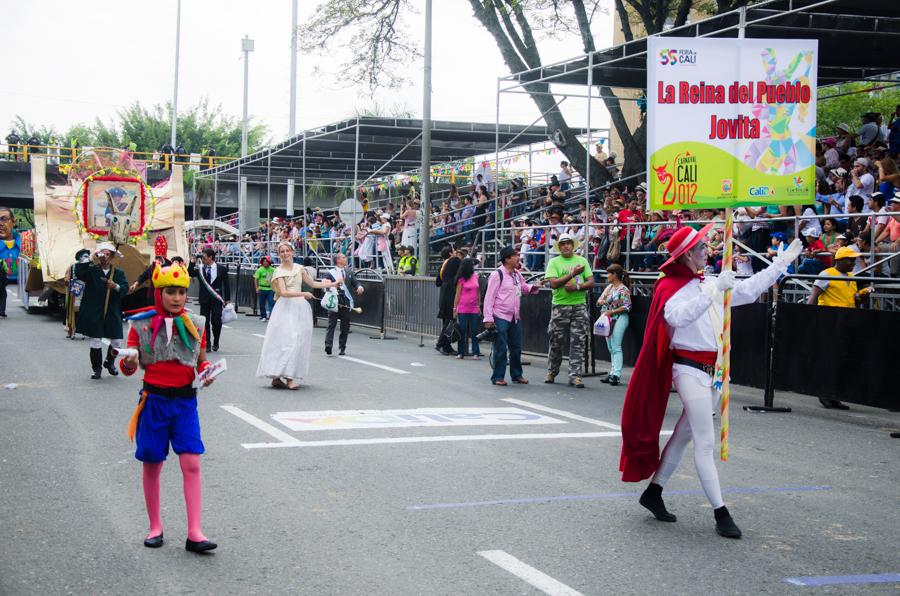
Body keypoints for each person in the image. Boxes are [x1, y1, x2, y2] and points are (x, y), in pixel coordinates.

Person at [619, 224, 803, 539]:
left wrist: (779, 265)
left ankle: (654, 492)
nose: (708, 251)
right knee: (704, 443)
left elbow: (749, 290)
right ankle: (721, 512)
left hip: (716, 373)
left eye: (706, 246)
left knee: (683, 437)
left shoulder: (711, 282)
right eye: (701, 248)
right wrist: (712, 291)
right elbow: (678, 317)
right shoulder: (670, 287)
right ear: (687, 254)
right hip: (688, 370)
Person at [118, 262, 217, 552]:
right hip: (154, 402)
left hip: (186, 403)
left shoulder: (196, 324)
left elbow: (201, 359)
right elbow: (128, 366)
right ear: (158, 292)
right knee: (152, 463)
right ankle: (155, 526)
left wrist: (208, 371)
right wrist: (129, 362)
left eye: (182, 292)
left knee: (192, 463)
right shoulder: (140, 325)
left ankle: (195, 531)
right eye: (170, 292)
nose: (177, 298)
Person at [255, 242, 337, 390]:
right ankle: (283, 377)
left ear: (293, 252)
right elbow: (284, 292)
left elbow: (312, 283)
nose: (285, 253)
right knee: (284, 340)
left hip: (299, 308)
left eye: (287, 250)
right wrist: (303, 294)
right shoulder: (278, 272)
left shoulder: (300, 268)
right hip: (285, 307)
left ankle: (286, 375)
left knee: (297, 340)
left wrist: (332, 284)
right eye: (282, 251)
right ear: (279, 254)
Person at [483, 246, 543, 385]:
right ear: (507, 259)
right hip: (500, 316)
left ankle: (517, 375)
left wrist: (535, 286)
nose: (518, 258)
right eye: (515, 256)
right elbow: (489, 297)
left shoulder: (516, 274)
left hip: (514, 317)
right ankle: (498, 377)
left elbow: (523, 287)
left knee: (516, 347)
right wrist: (488, 318)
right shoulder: (497, 274)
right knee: (501, 348)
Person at [544, 233, 594, 388]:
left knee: (578, 341)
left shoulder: (582, 260)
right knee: (556, 341)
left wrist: (577, 287)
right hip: (560, 306)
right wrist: (572, 275)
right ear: (559, 247)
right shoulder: (554, 262)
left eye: (568, 243)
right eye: (563, 244)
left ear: (573, 245)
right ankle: (552, 370)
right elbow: (553, 284)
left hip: (579, 305)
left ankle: (575, 375)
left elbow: (591, 282)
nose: (566, 246)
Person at [74, 242, 129, 379]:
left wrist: (115, 286)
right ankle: (96, 369)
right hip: (95, 311)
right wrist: (90, 259)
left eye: (107, 255)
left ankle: (109, 363)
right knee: (96, 340)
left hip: (112, 310)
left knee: (116, 341)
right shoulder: (92, 270)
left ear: (112, 257)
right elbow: (79, 273)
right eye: (102, 254)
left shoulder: (118, 273)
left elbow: (125, 288)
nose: (104, 257)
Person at [188, 249, 230, 352]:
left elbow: (227, 285)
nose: (202, 259)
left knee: (216, 322)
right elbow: (190, 273)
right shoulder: (200, 268)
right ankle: (207, 343)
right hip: (204, 299)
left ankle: (216, 341)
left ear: (210, 257)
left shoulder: (222, 269)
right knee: (205, 322)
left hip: (216, 299)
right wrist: (192, 261)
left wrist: (227, 299)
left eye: (204, 257)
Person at [322, 253, 364, 356]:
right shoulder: (330, 273)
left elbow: (356, 282)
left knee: (345, 327)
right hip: (335, 301)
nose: (346, 259)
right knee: (331, 324)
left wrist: (359, 287)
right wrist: (334, 285)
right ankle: (328, 345)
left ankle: (342, 347)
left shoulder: (349, 272)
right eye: (344, 257)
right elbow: (325, 286)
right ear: (338, 260)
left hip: (346, 302)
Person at [597, 264, 631, 386]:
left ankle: (616, 374)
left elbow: (627, 306)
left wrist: (611, 311)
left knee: (616, 346)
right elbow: (599, 301)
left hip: (619, 317)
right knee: (611, 347)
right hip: (609, 318)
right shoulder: (609, 288)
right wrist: (603, 302)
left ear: (615, 275)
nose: (607, 276)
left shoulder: (623, 289)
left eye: (609, 273)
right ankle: (612, 373)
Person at [452, 257, 482, 360]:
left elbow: (478, 292)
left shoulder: (475, 277)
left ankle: (476, 352)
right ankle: (461, 352)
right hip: (463, 307)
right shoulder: (461, 279)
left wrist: (478, 305)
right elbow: (457, 294)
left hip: (473, 307)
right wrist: (455, 308)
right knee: (462, 331)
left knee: (474, 331)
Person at [435, 246, 461, 355]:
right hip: (451, 293)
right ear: (450, 254)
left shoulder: (443, 265)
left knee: (447, 321)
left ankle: (447, 345)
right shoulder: (454, 261)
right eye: (454, 251)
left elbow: (437, 282)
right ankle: (440, 344)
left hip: (443, 293)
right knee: (450, 320)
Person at [0, 206, 21, 318]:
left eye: (4, 219)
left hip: (18, 281)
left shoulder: (27, 244)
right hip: (2, 280)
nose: (0, 223)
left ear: (13, 222)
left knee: (3, 295)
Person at [253, 256, 275, 321]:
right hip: (262, 288)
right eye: (264, 261)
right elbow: (256, 279)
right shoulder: (260, 270)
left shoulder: (273, 270)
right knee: (262, 304)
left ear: (269, 262)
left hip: (270, 289)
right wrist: (256, 288)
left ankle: (271, 316)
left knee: (271, 303)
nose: (265, 262)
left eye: (266, 261)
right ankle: (263, 316)